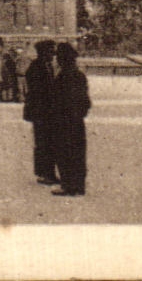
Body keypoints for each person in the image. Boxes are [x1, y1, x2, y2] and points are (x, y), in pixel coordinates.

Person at [50, 43, 91, 196]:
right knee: (78, 153)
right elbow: (86, 101)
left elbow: (57, 100)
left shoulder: (62, 77)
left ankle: (67, 185)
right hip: (77, 121)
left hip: (63, 121)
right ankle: (79, 185)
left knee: (64, 153)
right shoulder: (79, 75)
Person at [22, 40, 58, 185]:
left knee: (48, 142)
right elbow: (37, 91)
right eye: (50, 52)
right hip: (41, 111)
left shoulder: (46, 66)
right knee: (43, 142)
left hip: (47, 111)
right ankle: (44, 174)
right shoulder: (36, 68)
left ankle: (47, 172)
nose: (53, 55)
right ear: (43, 53)